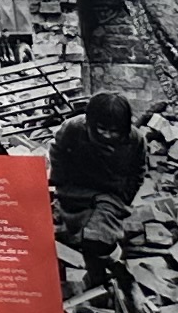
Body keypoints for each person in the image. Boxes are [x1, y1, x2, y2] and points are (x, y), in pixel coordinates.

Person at [47, 91, 149, 259]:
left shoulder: (135, 140)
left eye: (114, 131)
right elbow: (57, 154)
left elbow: (137, 173)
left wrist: (124, 199)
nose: (107, 135)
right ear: (91, 123)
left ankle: (108, 262)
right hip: (75, 189)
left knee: (99, 238)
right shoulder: (73, 129)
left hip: (109, 194)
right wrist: (61, 183)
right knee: (64, 231)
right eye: (102, 129)